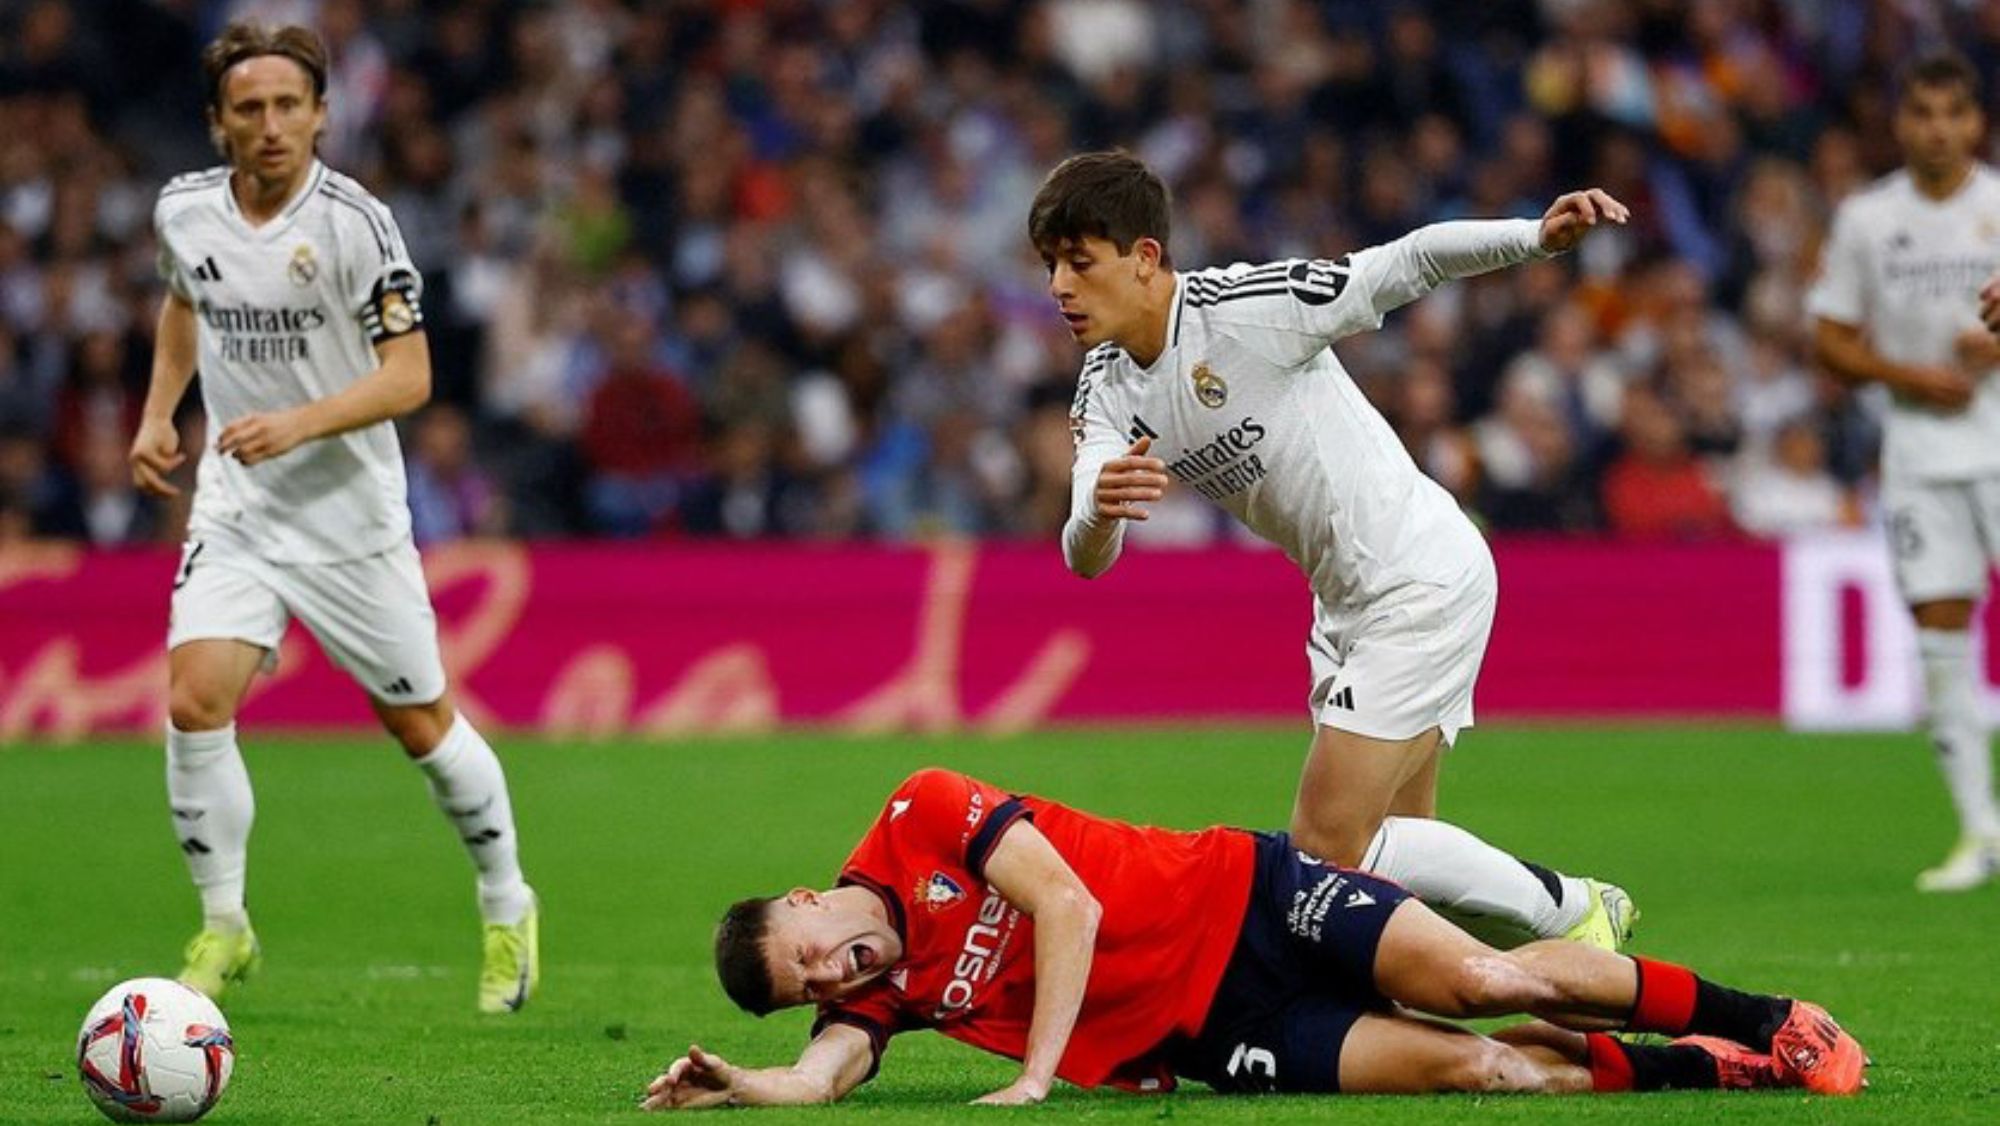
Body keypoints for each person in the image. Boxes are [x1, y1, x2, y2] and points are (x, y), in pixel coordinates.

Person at [1030, 150, 1634, 946]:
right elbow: (1084, 553)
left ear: (1145, 258)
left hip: (1418, 575)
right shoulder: (1104, 385)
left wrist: (1534, 237)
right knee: (1382, 879)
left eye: (1079, 263)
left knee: (1322, 848)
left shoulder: (1245, 310)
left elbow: (1406, 262)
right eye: (1050, 267)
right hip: (1343, 603)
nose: (1059, 289)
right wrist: (1101, 514)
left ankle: (1577, 909)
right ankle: (1479, 1009)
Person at [642, 769, 1866, 1107]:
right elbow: (820, 1075)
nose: (834, 977)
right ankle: (1706, 1066)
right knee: (1475, 1066)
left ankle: (1764, 1014)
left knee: (1484, 980)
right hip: (1220, 1030)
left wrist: (1028, 1074)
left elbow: (1065, 905)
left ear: (805, 899)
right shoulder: (883, 1002)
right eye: (811, 987)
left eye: (812, 953)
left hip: (1248, 895)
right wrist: (744, 1081)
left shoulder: (919, 811)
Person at [128, 22, 538, 1011]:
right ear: (218, 123)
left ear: (320, 114)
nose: (271, 126)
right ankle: (225, 925)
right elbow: (185, 303)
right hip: (239, 507)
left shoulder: (358, 224)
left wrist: (298, 423)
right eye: (249, 109)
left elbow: (412, 375)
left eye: (287, 107)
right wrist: (156, 413)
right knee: (193, 699)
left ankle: (505, 901)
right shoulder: (182, 211)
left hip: (349, 516)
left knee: (419, 725)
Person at [1809, 54, 2000, 892]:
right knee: (1941, 641)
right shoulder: (1866, 218)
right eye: (1921, 112)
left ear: (1975, 123)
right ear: (1902, 123)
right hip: (1922, 454)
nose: (1937, 128)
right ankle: (1981, 830)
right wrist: (1910, 375)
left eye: (1952, 113)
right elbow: (1830, 337)